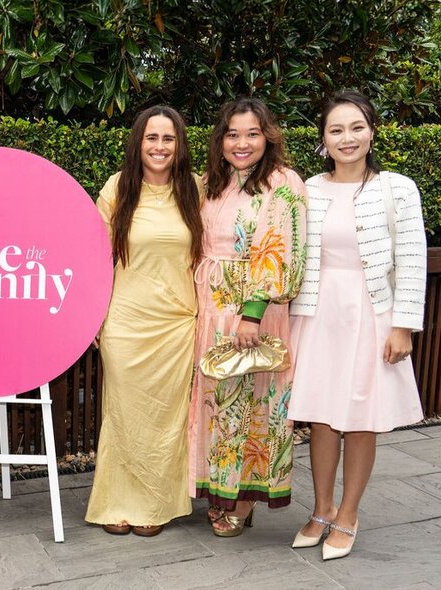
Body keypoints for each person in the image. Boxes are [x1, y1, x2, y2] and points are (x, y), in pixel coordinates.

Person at [288, 90, 426, 560]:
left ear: (371, 132)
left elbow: (412, 260)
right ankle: (321, 509)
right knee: (322, 415)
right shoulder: (309, 188)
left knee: (362, 417)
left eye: (356, 127)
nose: (347, 138)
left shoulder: (397, 188)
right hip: (318, 314)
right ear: (323, 139)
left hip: (371, 315)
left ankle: (348, 513)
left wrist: (403, 326)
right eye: (336, 130)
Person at [189, 97, 307, 537]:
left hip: (253, 311)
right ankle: (218, 492)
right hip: (207, 307)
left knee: (251, 403)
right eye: (232, 134)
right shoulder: (210, 182)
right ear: (220, 140)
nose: (242, 144)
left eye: (252, 134)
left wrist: (251, 315)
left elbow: (281, 250)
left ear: (268, 137)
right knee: (215, 404)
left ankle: (242, 500)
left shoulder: (283, 182)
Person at [85, 106, 204, 536]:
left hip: (176, 325)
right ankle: (117, 502)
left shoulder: (195, 189)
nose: (159, 146)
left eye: (168, 138)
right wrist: (93, 318)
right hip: (124, 322)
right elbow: (94, 256)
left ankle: (154, 505)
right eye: (152, 138)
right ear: (138, 143)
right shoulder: (117, 188)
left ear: (179, 145)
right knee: (121, 414)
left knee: (166, 419)